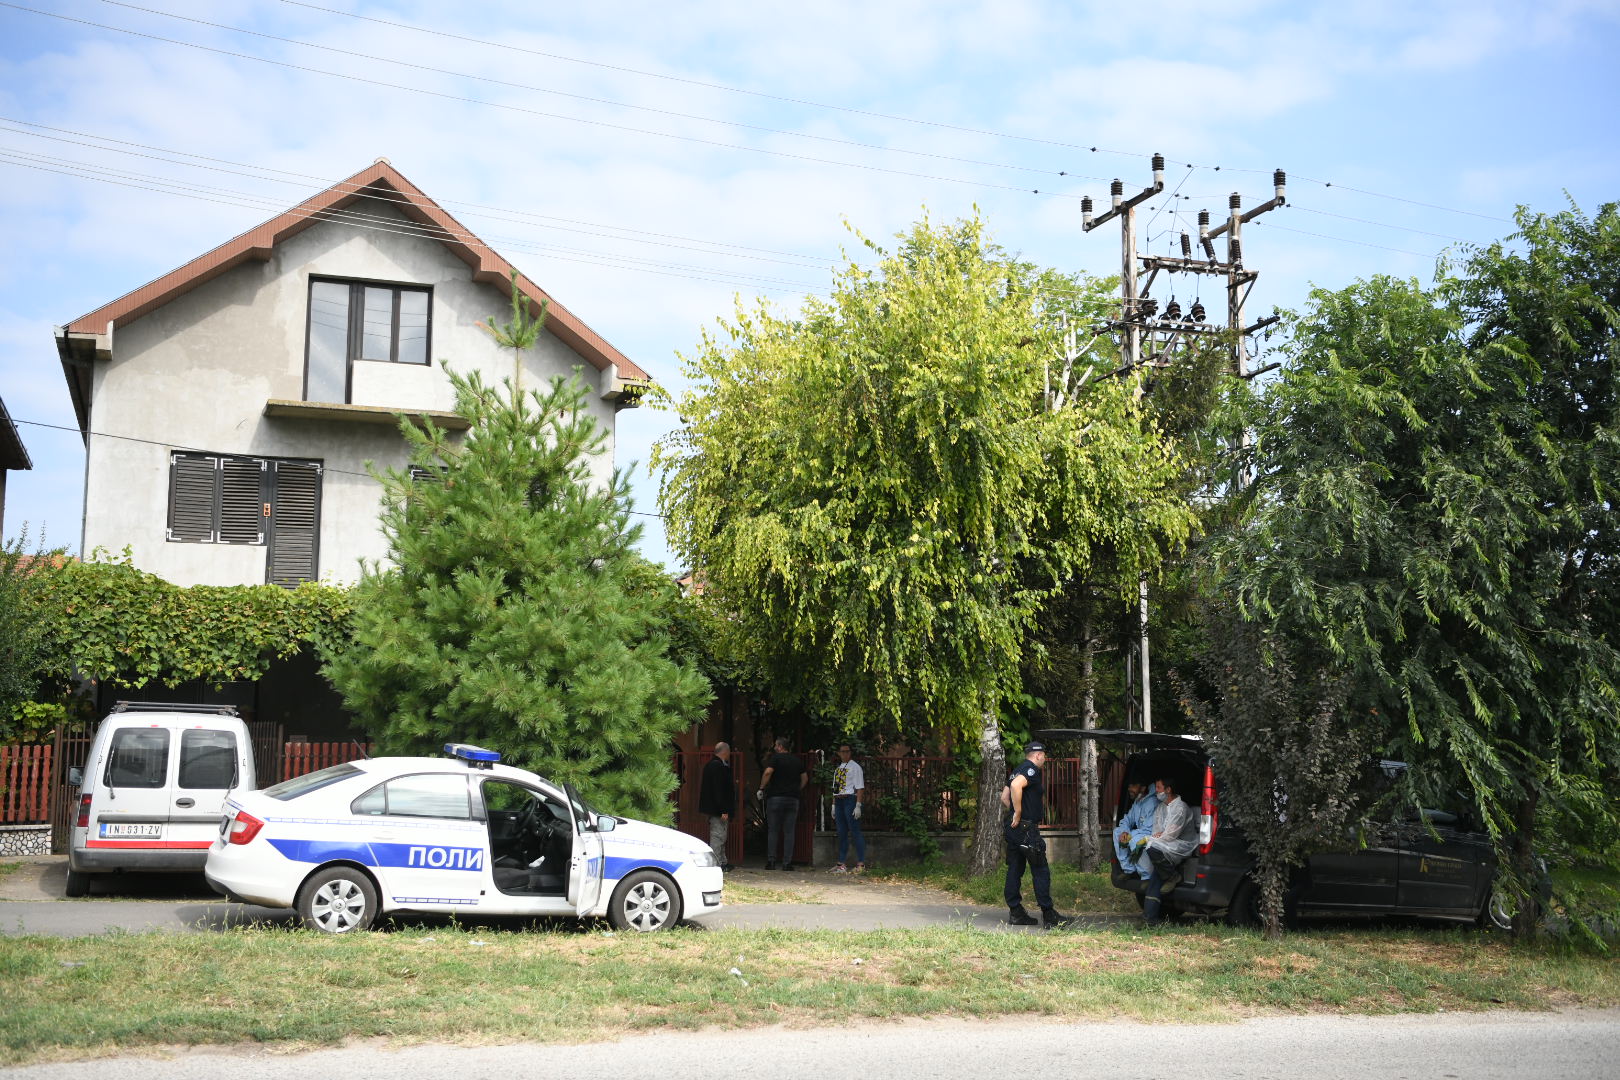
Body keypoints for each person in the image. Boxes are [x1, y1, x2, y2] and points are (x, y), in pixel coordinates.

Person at [1002, 740, 1073, 929]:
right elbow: (1017, 786)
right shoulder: (1031, 770)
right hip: (1026, 829)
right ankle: (1049, 915)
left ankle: (1015, 911)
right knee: (1040, 869)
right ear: (1038, 755)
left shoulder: (1016, 769)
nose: (1044, 759)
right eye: (1044, 756)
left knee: (1015, 868)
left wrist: (1015, 814)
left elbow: (1004, 796)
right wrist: (1019, 812)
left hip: (1015, 829)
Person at [1128, 778, 1200, 925]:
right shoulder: (1161, 807)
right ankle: (1150, 918)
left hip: (1181, 844)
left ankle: (1173, 876)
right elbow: (1157, 831)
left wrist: (1154, 838)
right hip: (1167, 843)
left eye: (1159, 788)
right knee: (1156, 876)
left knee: (1152, 848)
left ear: (1168, 790)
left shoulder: (1180, 808)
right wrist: (1155, 837)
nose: (1157, 792)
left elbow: (1170, 835)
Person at [757, 736, 806, 871]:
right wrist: (797, 790)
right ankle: (787, 863)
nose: (774, 748)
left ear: (780, 747)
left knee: (773, 830)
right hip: (793, 799)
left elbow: (767, 772)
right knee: (789, 832)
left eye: (775, 746)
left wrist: (761, 788)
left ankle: (771, 862)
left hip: (776, 798)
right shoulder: (797, 760)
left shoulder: (776, 759)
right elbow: (805, 778)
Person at [697, 741, 737, 872]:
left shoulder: (711, 765)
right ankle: (716, 864)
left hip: (714, 808)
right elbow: (719, 790)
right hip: (718, 809)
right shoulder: (718, 767)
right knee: (718, 836)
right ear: (725, 752)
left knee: (721, 835)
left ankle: (722, 861)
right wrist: (723, 809)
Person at [829, 743, 866, 873]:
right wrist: (833, 805)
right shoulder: (838, 769)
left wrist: (858, 805)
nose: (845, 754)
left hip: (850, 799)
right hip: (839, 801)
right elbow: (835, 789)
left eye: (847, 751)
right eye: (842, 751)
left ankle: (861, 864)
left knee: (855, 831)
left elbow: (860, 787)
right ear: (839, 753)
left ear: (850, 753)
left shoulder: (855, 767)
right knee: (841, 832)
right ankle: (841, 864)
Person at [1113, 779, 1158, 877]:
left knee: (1135, 839)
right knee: (1118, 832)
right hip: (1141, 832)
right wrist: (1125, 831)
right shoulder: (1138, 802)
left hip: (1152, 835)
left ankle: (1147, 875)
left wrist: (1130, 834)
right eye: (1129, 786)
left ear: (1143, 788)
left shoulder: (1152, 803)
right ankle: (1129, 870)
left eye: (1133, 785)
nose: (1129, 789)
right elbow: (1127, 820)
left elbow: (1148, 830)